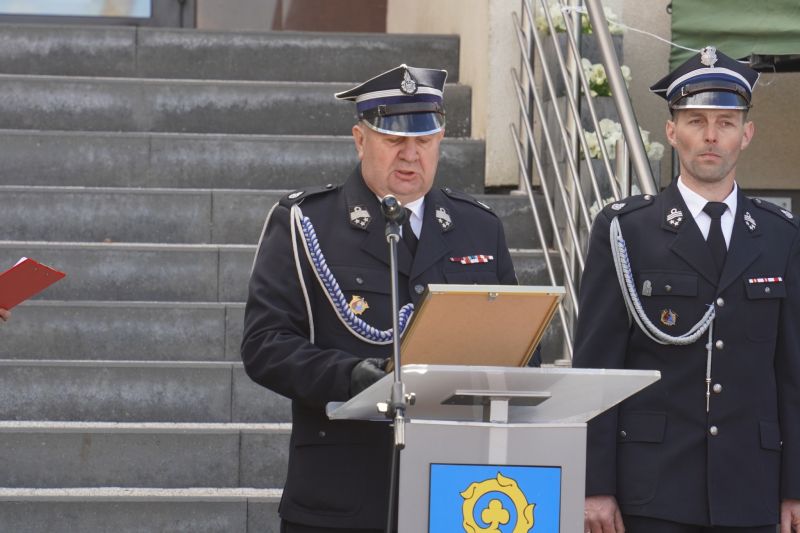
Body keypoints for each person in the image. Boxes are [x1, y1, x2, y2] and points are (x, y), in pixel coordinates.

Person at [241, 64, 518, 532]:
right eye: (394, 140)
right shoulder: (307, 222)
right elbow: (264, 345)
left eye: (424, 140)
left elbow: (518, 349)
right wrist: (349, 376)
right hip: (344, 490)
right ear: (360, 139)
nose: (411, 155)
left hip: (457, 489)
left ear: (441, 139)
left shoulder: (479, 227)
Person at [573, 46, 800, 532]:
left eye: (726, 122)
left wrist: (795, 487)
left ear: (746, 134)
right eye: (696, 121)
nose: (711, 135)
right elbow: (595, 367)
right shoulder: (626, 231)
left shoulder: (781, 235)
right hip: (653, 491)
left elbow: (793, 374)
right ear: (672, 132)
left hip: (753, 492)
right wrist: (594, 483)